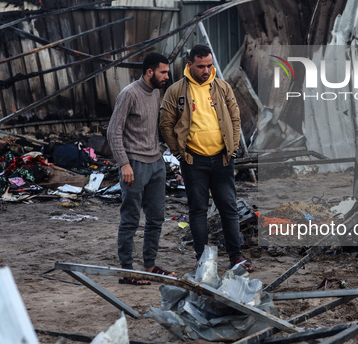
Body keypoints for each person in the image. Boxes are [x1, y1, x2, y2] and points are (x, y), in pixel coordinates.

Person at [159, 44, 253, 271]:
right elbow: (165, 124)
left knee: (228, 208)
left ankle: (236, 257)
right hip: (194, 161)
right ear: (190, 65)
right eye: (201, 66)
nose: (206, 70)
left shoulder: (222, 88)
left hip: (222, 159)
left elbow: (235, 118)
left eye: (209, 65)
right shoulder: (176, 91)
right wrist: (180, 153)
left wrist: (231, 147)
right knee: (198, 210)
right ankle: (202, 259)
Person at [107, 52, 175, 285]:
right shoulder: (129, 94)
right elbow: (113, 131)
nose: (167, 76)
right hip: (134, 165)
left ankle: (149, 265)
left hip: (156, 163)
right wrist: (124, 163)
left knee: (156, 218)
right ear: (149, 72)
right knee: (130, 219)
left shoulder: (156, 91)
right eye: (163, 72)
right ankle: (127, 270)